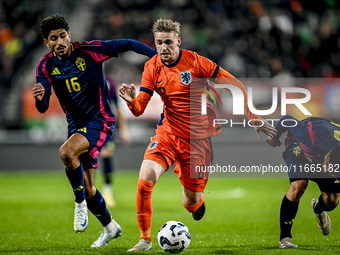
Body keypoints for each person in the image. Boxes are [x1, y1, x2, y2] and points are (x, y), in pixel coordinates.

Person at [119, 18, 277, 252]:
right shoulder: (152, 66)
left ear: (178, 42)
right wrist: (132, 100)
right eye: (159, 43)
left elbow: (235, 84)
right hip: (167, 134)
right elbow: (140, 107)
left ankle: (197, 203)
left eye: (168, 43)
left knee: (190, 201)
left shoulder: (196, 62)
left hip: (197, 142)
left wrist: (251, 114)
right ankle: (145, 240)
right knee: (145, 179)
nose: (163, 48)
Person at [32, 14, 156, 248]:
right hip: (75, 126)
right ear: (46, 42)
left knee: (67, 153)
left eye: (62, 36)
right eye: (53, 38)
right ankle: (110, 227)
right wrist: (39, 98)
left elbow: (128, 43)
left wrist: (156, 57)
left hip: (100, 120)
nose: (59, 42)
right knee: (89, 189)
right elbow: (43, 106)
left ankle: (78, 206)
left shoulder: (90, 51)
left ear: (69, 35)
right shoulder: (45, 65)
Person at [266, 115, 340, 248]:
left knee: (331, 202)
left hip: (322, 148)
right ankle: (285, 238)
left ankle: (318, 209)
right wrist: (274, 137)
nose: (327, 170)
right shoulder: (308, 137)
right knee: (298, 186)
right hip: (298, 147)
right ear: (328, 155)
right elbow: (287, 119)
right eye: (328, 166)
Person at [100, 75, 130, 209]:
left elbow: (117, 108)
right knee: (87, 160)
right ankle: (87, 193)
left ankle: (107, 193)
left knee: (106, 155)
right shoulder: (84, 76)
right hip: (87, 125)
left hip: (105, 126)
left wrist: (123, 129)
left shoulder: (109, 82)